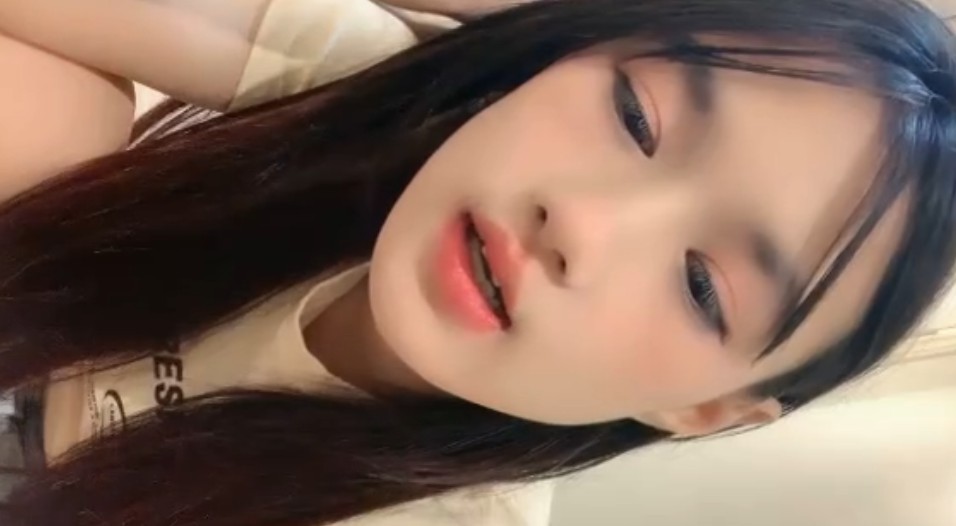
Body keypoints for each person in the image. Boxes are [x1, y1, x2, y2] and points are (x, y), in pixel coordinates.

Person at [0, 0, 955, 524]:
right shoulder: (380, 98)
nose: (581, 221)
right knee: (65, 110)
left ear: (704, 409)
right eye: (636, 116)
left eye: (701, 285)